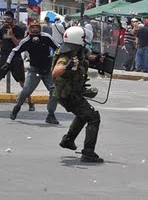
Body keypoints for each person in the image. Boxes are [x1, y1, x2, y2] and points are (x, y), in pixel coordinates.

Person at [52, 26, 105, 163]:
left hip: (72, 93)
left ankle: (68, 140)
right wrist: (66, 67)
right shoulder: (66, 55)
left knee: (83, 115)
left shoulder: (76, 51)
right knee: (93, 117)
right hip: (68, 95)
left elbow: (86, 56)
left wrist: (97, 58)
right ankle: (88, 153)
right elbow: (56, 71)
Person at [6, 21, 60, 124]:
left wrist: (57, 59)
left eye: (37, 27)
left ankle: (51, 114)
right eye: (33, 27)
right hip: (34, 70)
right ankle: (17, 107)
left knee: (55, 92)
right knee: (26, 91)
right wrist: (7, 63)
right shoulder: (26, 41)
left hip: (48, 70)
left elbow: (58, 48)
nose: (35, 29)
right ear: (29, 29)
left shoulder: (46, 37)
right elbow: (15, 50)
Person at [0, 11, 34, 112]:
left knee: (22, 82)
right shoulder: (2, 29)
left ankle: (30, 102)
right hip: (4, 57)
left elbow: (19, 45)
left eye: (8, 19)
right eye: (4, 19)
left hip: (16, 57)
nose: (6, 21)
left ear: (12, 20)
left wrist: (12, 36)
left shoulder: (19, 30)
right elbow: (1, 43)